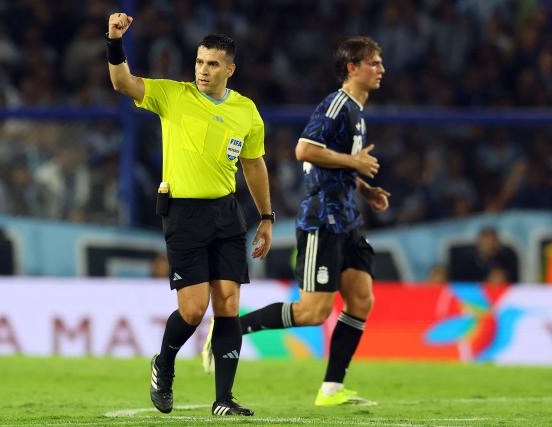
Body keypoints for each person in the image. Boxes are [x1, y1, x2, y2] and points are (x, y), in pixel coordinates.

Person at [202, 36, 389, 406]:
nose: (381, 69)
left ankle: (332, 389)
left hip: (346, 218)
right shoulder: (337, 105)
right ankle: (230, 327)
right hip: (322, 219)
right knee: (313, 312)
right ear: (352, 67)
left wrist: (365, 189)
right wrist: (354, 164)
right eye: (374, 63)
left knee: (362, 299)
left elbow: (329, 161)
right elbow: (304, 149)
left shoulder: (357, 111)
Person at [106, 12, 273, 417]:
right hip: (183, 213)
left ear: (229, 69)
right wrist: (114, 41)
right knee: (194, 310)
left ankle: (224, 399)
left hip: (226, 213)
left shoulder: (246, 112)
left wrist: (267, 217)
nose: (203, 70)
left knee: (229, 303)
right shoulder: (172, 95)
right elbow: (122, 82)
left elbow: (253, 165)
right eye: (199, 61)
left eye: (212, 64)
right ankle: (163, 362)